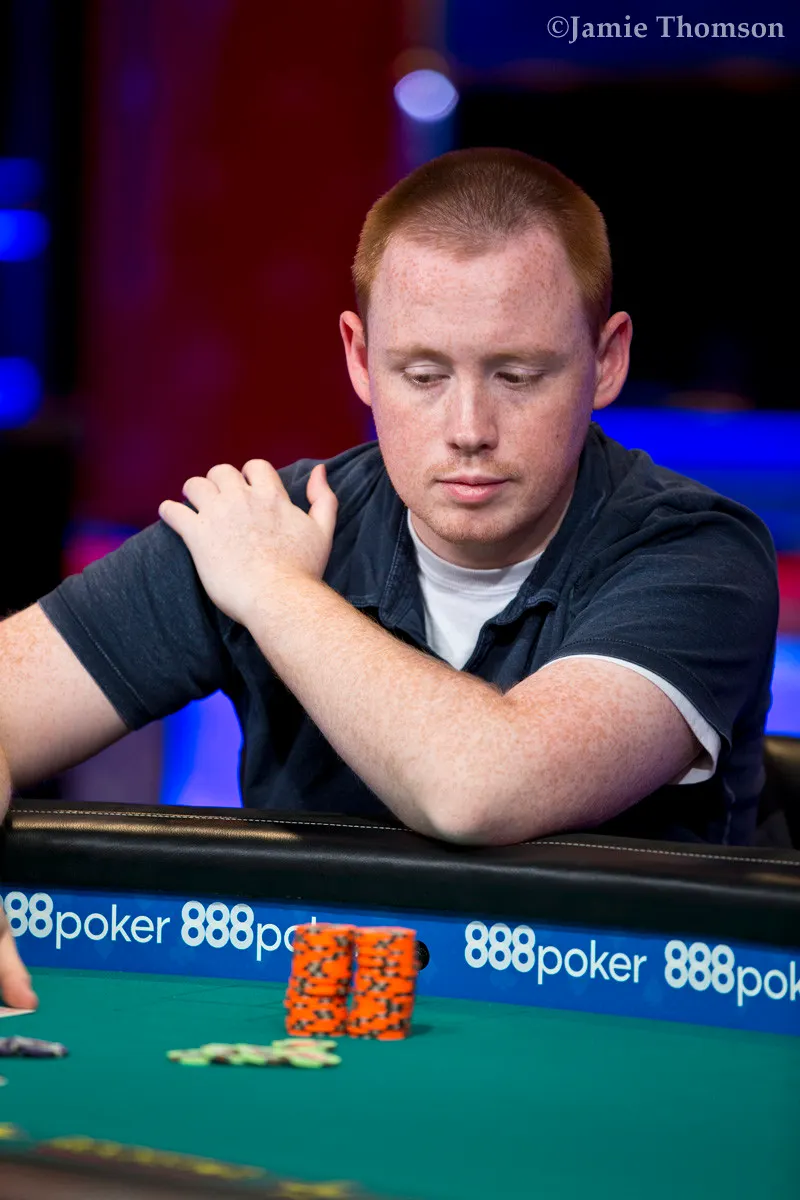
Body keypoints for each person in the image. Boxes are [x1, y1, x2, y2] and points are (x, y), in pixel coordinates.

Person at [0, 148, 779, 1008]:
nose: (469, 428)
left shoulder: (701, 555)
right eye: (423, 375)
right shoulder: (268, 526)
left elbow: (481, 789)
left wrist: (276, 593)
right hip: (311, 1049)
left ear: (607, 359)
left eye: (518, 375)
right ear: (359, 356)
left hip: (625, 1050)